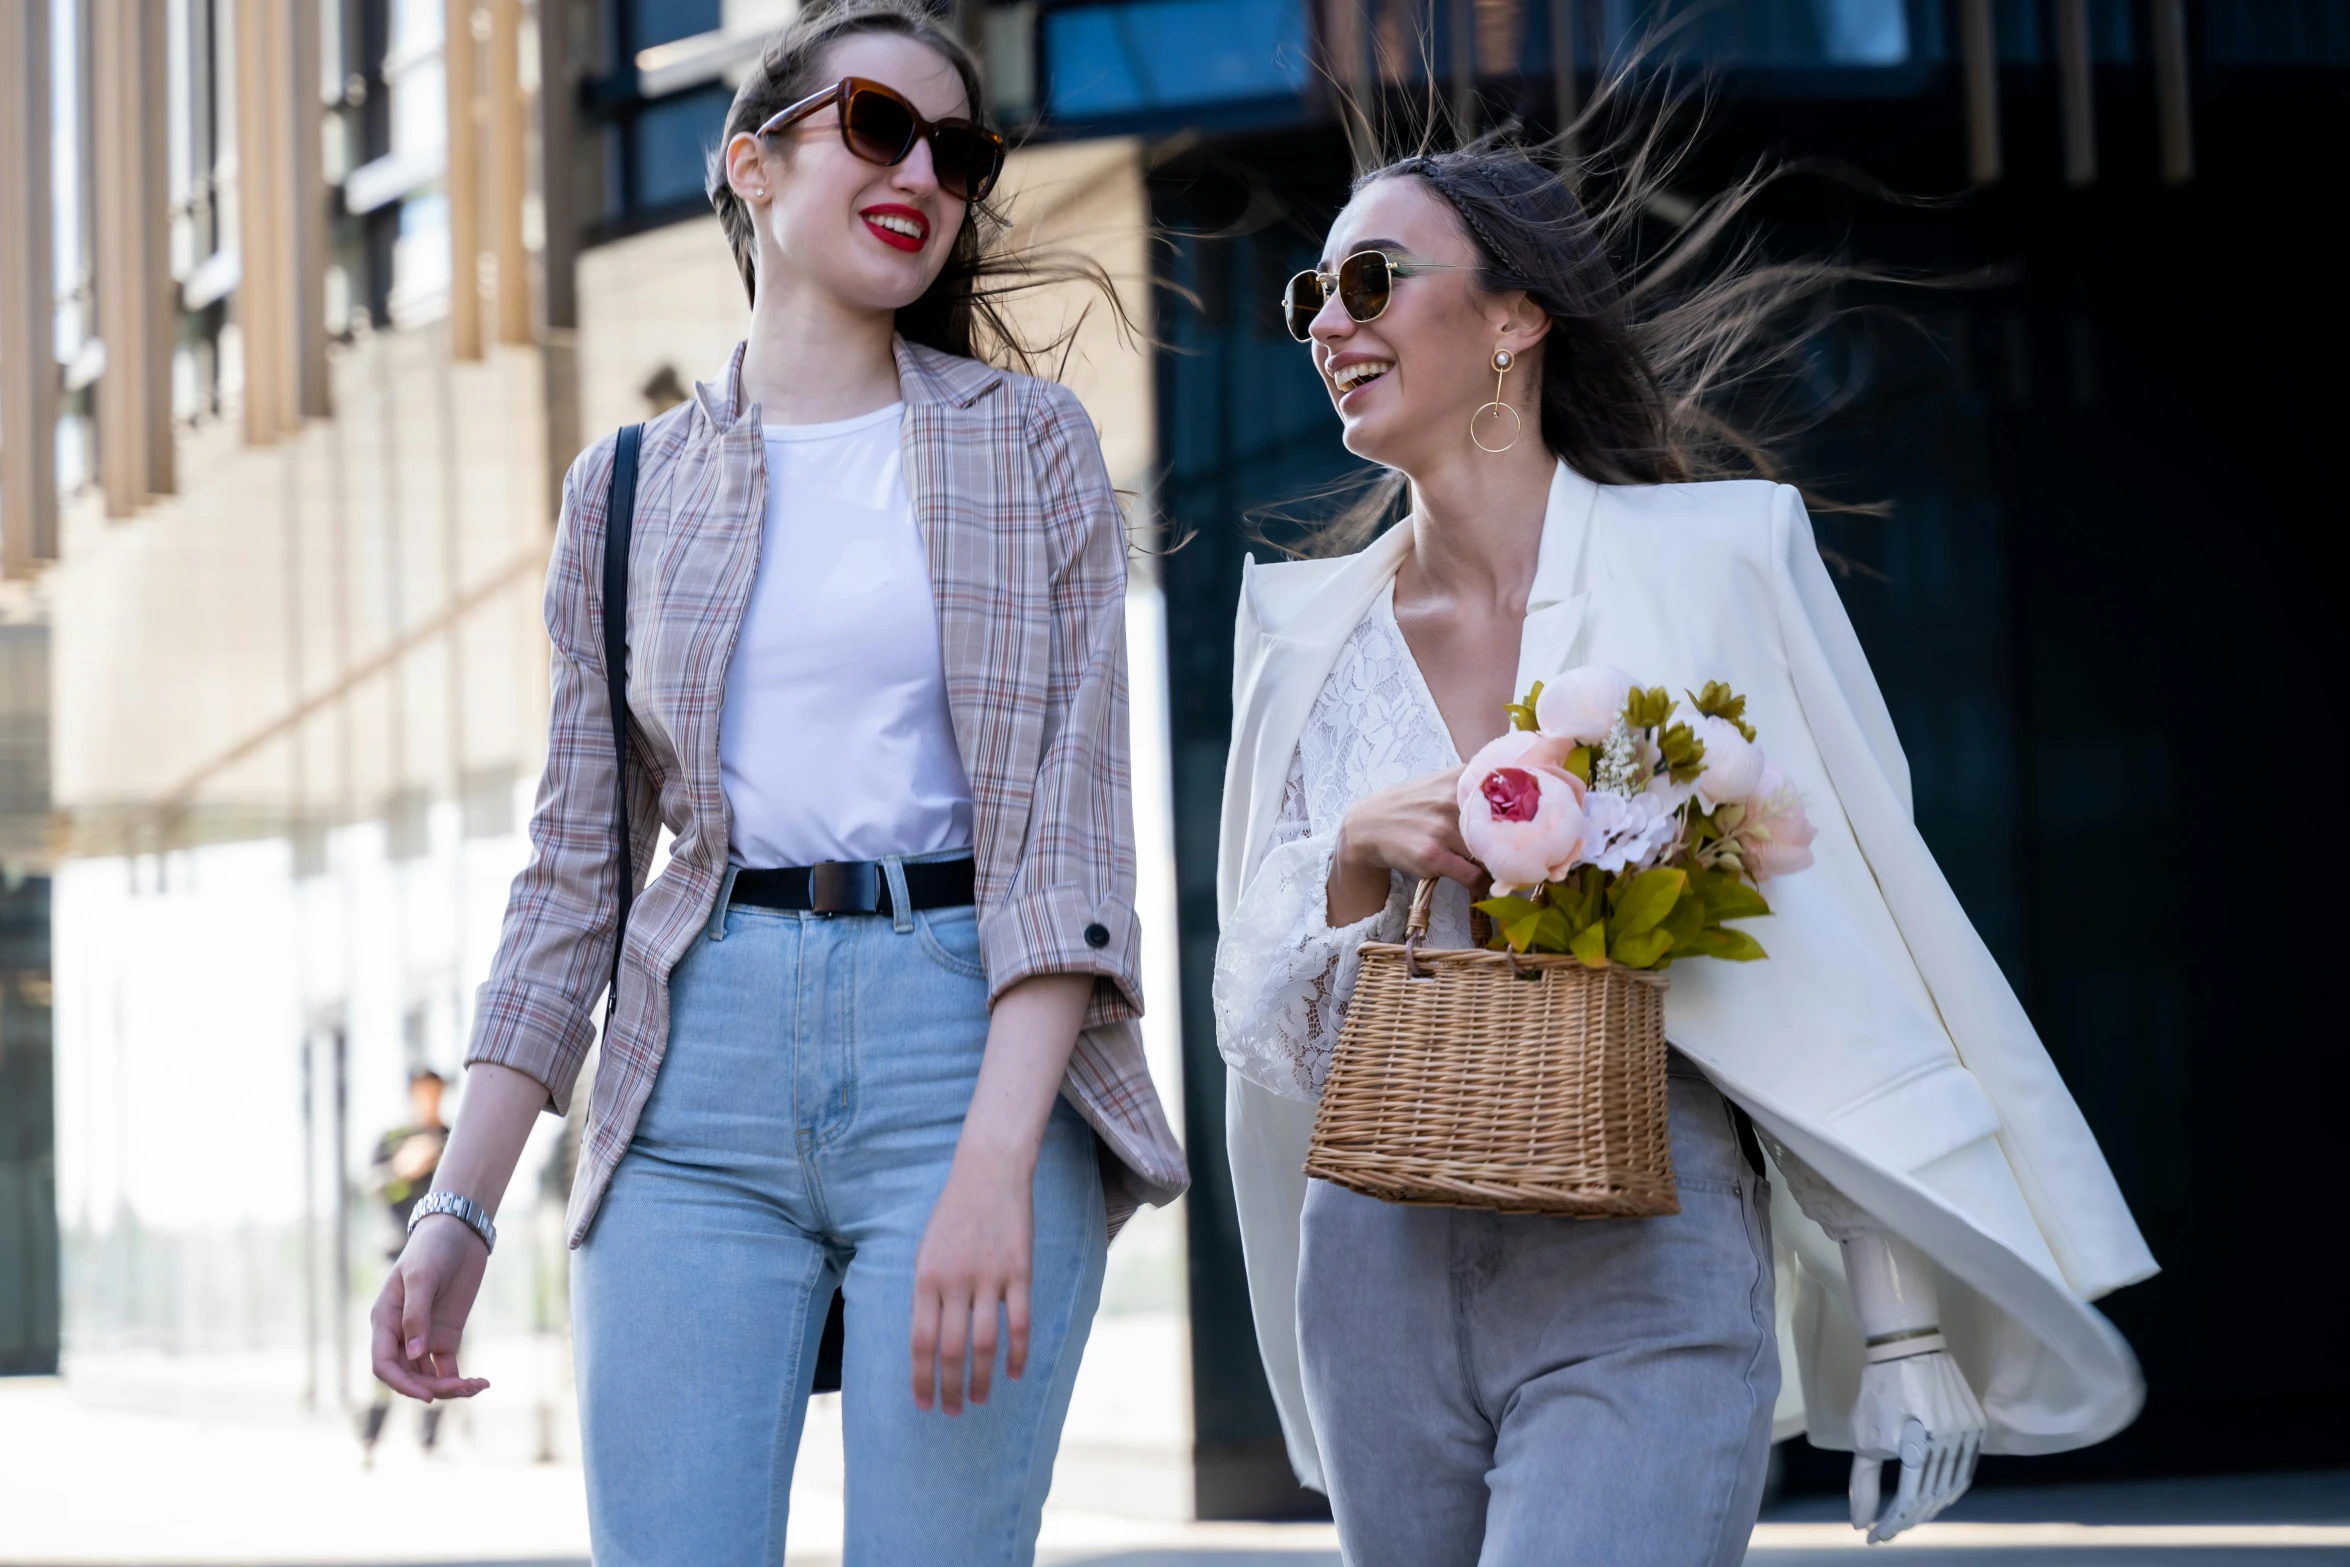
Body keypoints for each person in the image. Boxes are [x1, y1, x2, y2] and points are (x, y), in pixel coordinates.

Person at [1211, 138, 2155, 1566]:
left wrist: (1899, 1316)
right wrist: (1347, 852)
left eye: (1369, 281)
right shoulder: (1296, 634)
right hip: (1372, 1263)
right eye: (1310, 298)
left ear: (1516, 319)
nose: (1329, 324)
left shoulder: (1721, 555)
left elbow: (1844, 940)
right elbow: (1258, 1024)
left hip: (1642, 1243)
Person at [366, 3, 1186, 1560]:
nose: (926, 175)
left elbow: (1068, 853)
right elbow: (571, 878)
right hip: (696, 1067)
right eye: (881, 125)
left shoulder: (1032, 450)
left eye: (961, 151)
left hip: (969, 1047)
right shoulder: (622, 491)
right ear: (752, 161)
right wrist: (457, 1206)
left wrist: (996, 1163)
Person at [359, 1069, 451, 1463]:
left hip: (443, 1257)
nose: (429, 1098)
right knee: (392, 1342)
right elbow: (372, 1185)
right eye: (423, 1091)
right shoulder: (394, 1139)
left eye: (436, 1091)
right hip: (398, 1254)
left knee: (440, 1344)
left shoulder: (450, 1137)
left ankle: (430, 1440)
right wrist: (402, 1167)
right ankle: (370, 1438)